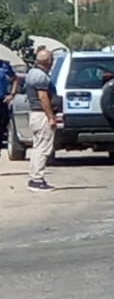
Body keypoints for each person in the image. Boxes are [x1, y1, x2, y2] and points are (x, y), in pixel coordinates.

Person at [22, 46, 56, 193]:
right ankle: (37, 180)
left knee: (37, 147)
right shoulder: (41, 77)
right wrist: (51, 117)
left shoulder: (32, 73)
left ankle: (34, 177)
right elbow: (43, 98)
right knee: (43, 148)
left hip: (35, 114)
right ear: (48, 61)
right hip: (41, 114)